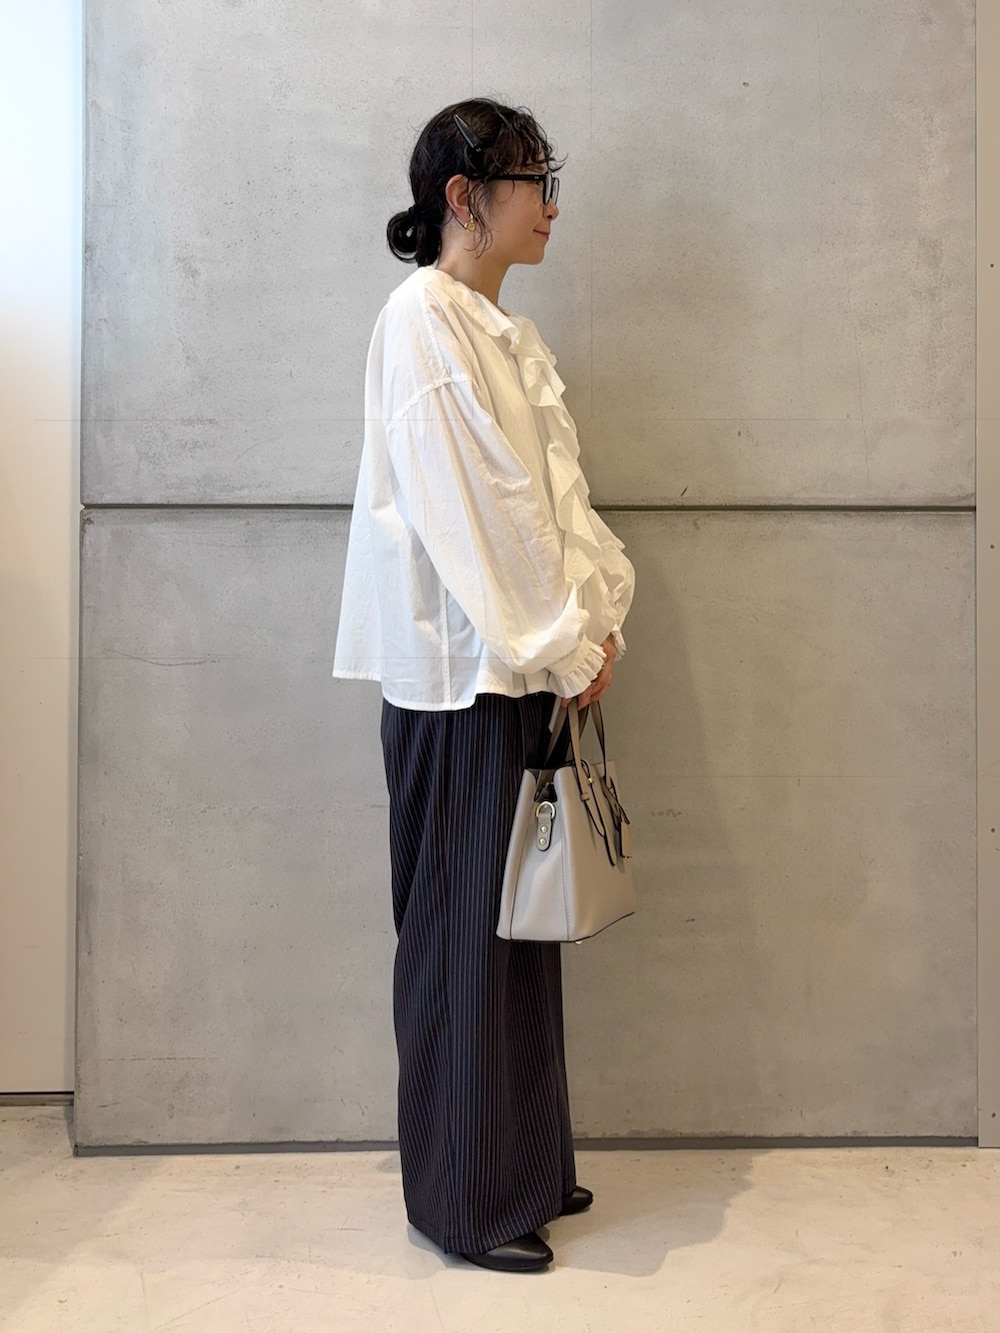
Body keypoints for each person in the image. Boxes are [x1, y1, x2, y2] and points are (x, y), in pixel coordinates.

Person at [332, 98, 635, 1273]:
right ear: (464, 196)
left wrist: (593, 622)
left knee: (516, 926)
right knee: (463, 930)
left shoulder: (500, 330)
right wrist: (565, 642)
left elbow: (553, 503)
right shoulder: (422, 321)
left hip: (515, 666)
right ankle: (463, 1201)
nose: (551, 204)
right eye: (531, 180)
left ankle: (523, 1169)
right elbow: (476, 516)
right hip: (463, 680)